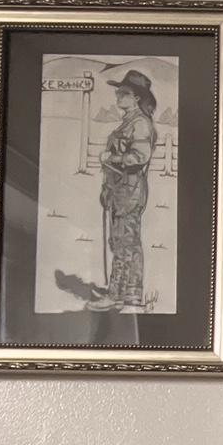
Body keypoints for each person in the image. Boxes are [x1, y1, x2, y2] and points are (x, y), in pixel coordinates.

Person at [86, 69, 157, 312]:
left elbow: (139, 156)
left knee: (126, 242)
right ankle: (127, 294)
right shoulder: (129, 122)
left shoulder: (140, 124)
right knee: (121, 241)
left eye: (123, 93)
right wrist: (107, 188)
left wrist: (111, 157)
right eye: (118, 92)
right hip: (120, 188)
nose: (118, 97)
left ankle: (120, 295)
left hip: (130, 189)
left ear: (136, 97)